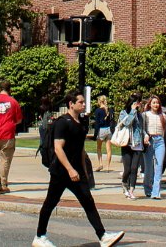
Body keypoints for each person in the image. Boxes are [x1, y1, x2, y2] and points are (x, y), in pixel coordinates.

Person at [32, 89, 125, 247]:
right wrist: (70, 169)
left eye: (84, 102)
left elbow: (80, 149)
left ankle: (103, 236)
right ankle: (40, 237)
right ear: (71, 104)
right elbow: (58, 148)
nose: (83, 105)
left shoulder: (81, 123)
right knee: (50, 202)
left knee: (88, 201)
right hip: (61, 171)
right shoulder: (62, 122)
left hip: (76, 171)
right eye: (80, 102)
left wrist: (84, 170)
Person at [117, 93, 145, 199]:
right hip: (126, 143)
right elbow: (127, 123)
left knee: (134, 169)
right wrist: (133, 111)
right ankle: (124, 183)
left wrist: (145, 136)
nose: (138, 104)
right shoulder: (123, 113)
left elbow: (142, 129)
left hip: (137, 144)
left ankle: (132, 190)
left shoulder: (140, 115)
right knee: (127, 169)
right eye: (137, 102)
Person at [141, 95, 166, 200]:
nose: (156, 105)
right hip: (149, 141)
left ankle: (156, 192)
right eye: (153, 103)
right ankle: (148, 189)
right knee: (148, 167)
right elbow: (142, 128)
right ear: (150, 104)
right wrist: (145, 135)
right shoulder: (145, 115)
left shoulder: (163, 116)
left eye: (157, 103)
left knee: (159, 165)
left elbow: (164, 129)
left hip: (160, 141)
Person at [93, 96, 114, 172]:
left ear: (99, 101)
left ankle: (100, 164)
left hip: (101, 129)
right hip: (108, 129)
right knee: (108, 149)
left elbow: (97, 123)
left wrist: (95, 134)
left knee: (99, 148)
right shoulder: (109, 109)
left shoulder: (98, 110)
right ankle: (108, 166)